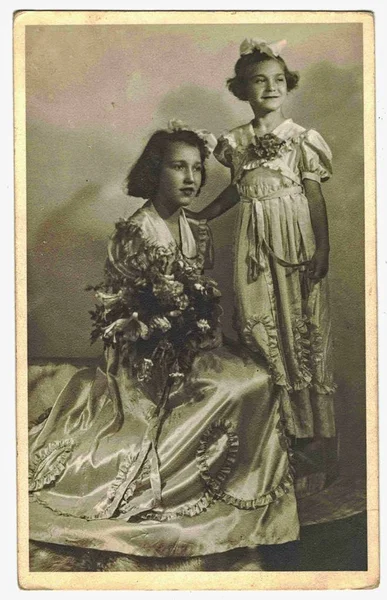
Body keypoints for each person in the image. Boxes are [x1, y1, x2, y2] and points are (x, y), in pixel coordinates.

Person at [28, 122, 300, 562]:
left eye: (196, 168)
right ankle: (195, 488)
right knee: (233, 387)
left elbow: (196, 300)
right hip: (141, 356)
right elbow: (130, 317)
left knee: (259, 376)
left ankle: (237, 490)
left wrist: (206, 333)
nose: (191, 178)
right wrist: (182, 332)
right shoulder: (138, 232)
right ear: (155, 172)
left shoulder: (193, 228)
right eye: (178, 167)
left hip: (183, 345)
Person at [186, 39, 337, 496]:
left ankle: (318, 448)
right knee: (261, 331)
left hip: (295, 247)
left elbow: (313, 195)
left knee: (303, 334)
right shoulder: (235, 142)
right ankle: (277, 443)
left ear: (286, 86)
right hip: (254, 249)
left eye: (277, 80)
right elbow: (241, 190)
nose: (270, 87)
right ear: (242, 89)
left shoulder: (301, 139)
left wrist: (323, 249)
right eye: (258, 80)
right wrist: (204, 215)